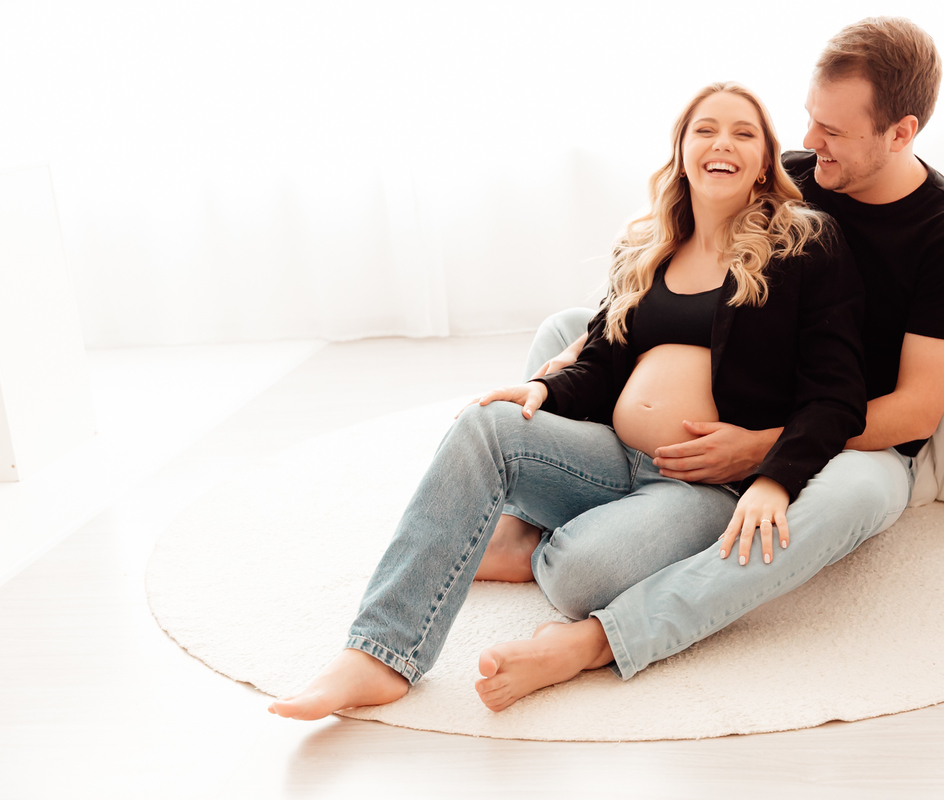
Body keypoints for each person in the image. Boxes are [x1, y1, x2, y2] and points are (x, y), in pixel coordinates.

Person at [268, 82, 866, 721]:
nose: (723, 143)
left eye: (744, 133)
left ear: (766, 159)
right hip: (611, 454)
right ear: (682, 150)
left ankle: (521, 543)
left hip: (703, 486)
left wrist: (772, 477)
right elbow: (602, 365)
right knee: (485, 424)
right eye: (705, 129)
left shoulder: (802, 245)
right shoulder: (646, 244)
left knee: (580, 576)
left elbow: (837, 395)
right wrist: (543, 389)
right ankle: (379, 653)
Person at [472, 15, 944, 713]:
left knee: (860, 495)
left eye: (832, 131)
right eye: (810, 119)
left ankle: (604, 637)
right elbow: (666, 275)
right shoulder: (798, 176)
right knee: (563, 327)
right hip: (743, 385)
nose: (809, 142)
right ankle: (563, 521)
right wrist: (567, 363)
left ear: (901, 133)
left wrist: (765, 451)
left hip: (848, 438)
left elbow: (916, 410)